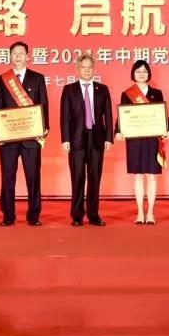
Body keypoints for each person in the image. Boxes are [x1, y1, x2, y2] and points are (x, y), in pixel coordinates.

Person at [0, 41, 49, 227]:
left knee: (33, 177)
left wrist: (44, 128)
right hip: (8, 138)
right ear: (10, 56)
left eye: (21, 53)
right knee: (8, 177)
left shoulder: (37, 78)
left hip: (31, 137)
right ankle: (8, 215)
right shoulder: (2, 79)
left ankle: (34, 216)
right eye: (14, 53)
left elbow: (43, 104)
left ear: (27, 56)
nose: (18, 56)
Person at [115, 60, 169, 225]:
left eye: (144, 71)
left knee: (152, 177)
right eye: (138, 71)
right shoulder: (127, 94)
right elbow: (122, 115)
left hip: (152, 139)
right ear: (133, 74)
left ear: (149, 74)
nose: (141, 74)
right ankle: (140, 212)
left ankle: (151, 213)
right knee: (138, 176)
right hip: (135, 140)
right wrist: (118, 131)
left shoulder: (157, 93)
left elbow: (162, 114)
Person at [60, 54, 113, 227]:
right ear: (78, 69)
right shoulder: (69, 89)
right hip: (76, 139)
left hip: (97, 138)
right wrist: (65, 139)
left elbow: (108, 115)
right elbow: (64, 117)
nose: (87, 70)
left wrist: (109, 137)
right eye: (83, 67)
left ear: (93, 69)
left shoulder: (102, 89)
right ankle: (77, 215)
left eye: (90, 67)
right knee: (77, 177)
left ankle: (93, 214)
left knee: (95, 177)